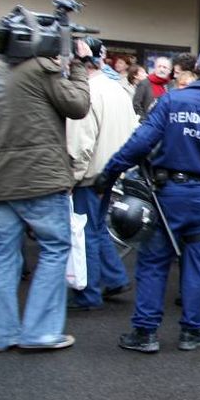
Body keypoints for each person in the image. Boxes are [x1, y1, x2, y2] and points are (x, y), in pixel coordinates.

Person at [101, 43, 200, 354]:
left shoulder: (172, 101)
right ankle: (193, 331)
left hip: (168, 194)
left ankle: (145, 332)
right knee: (198, 263)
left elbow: (140, 143)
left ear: (196, 72)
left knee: (153, 262)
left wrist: (111, 171)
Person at [0, 24, 94, 352]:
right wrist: (79, 65)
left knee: (3, 254)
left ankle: (2, 334)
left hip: (0, 182)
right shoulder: (39, 70)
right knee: (54, 249)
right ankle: (39, 331)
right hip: (42, 180)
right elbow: (77, 105)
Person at [66, 37, 139, 310]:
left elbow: (80, 142)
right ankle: (115, 276)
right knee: (96, 229)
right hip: (111, 172)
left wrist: (72, 178)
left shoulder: (87, 93)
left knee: (85, 233)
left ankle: (88, 294)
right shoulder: (118, 89)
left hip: (89, 174)